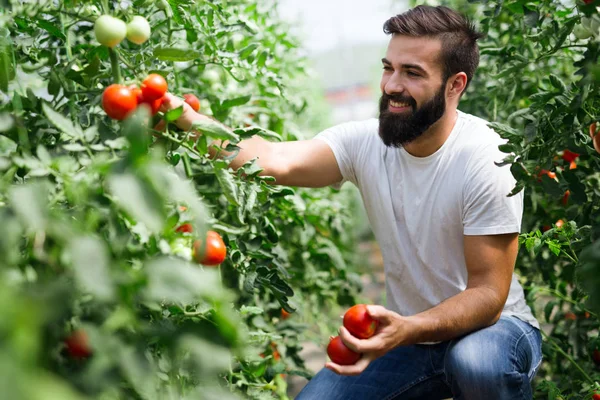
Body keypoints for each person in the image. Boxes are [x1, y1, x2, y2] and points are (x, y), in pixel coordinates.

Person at [159, 5, 542, 399]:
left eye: (412, 73)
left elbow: (488, 296)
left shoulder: (488, 157)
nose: (392, 85)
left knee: (476, 364)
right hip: (411, 339)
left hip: (494, 330)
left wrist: (407, 328)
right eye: (388, 67)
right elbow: (275, 160)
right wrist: (188, 122)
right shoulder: (365, 142)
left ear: (454, 85)